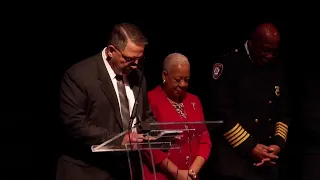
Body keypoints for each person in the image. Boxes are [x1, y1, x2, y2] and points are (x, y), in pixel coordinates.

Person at [56, 23, 156, 180]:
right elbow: (75, 124)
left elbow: (145, 116)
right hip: (88, 171)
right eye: (130, 59)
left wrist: (160, 133)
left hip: (128, 171)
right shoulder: (79, 75)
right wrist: (119, 139)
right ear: (111, 51)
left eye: (139, 59)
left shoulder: (138, 77)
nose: (135, 65)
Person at [210, 23, 290, 180]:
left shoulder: (277, 67)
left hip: (267, 160)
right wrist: (250, 147)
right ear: (252, 42)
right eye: (265, 50)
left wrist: (277, 145)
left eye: (273, 52)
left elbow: (283, 111)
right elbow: (221, 114)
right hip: (235, 161)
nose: (269, 56)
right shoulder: (230, 64)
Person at [142, 53, 212, 180]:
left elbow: (205, 140)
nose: (183, 84)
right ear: (165, 76)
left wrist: (192, 172)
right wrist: (177, 173)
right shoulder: (149, 100)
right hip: (161, 176)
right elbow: (148, 145)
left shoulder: (194, 100)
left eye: (186, 79)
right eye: (178, 79)